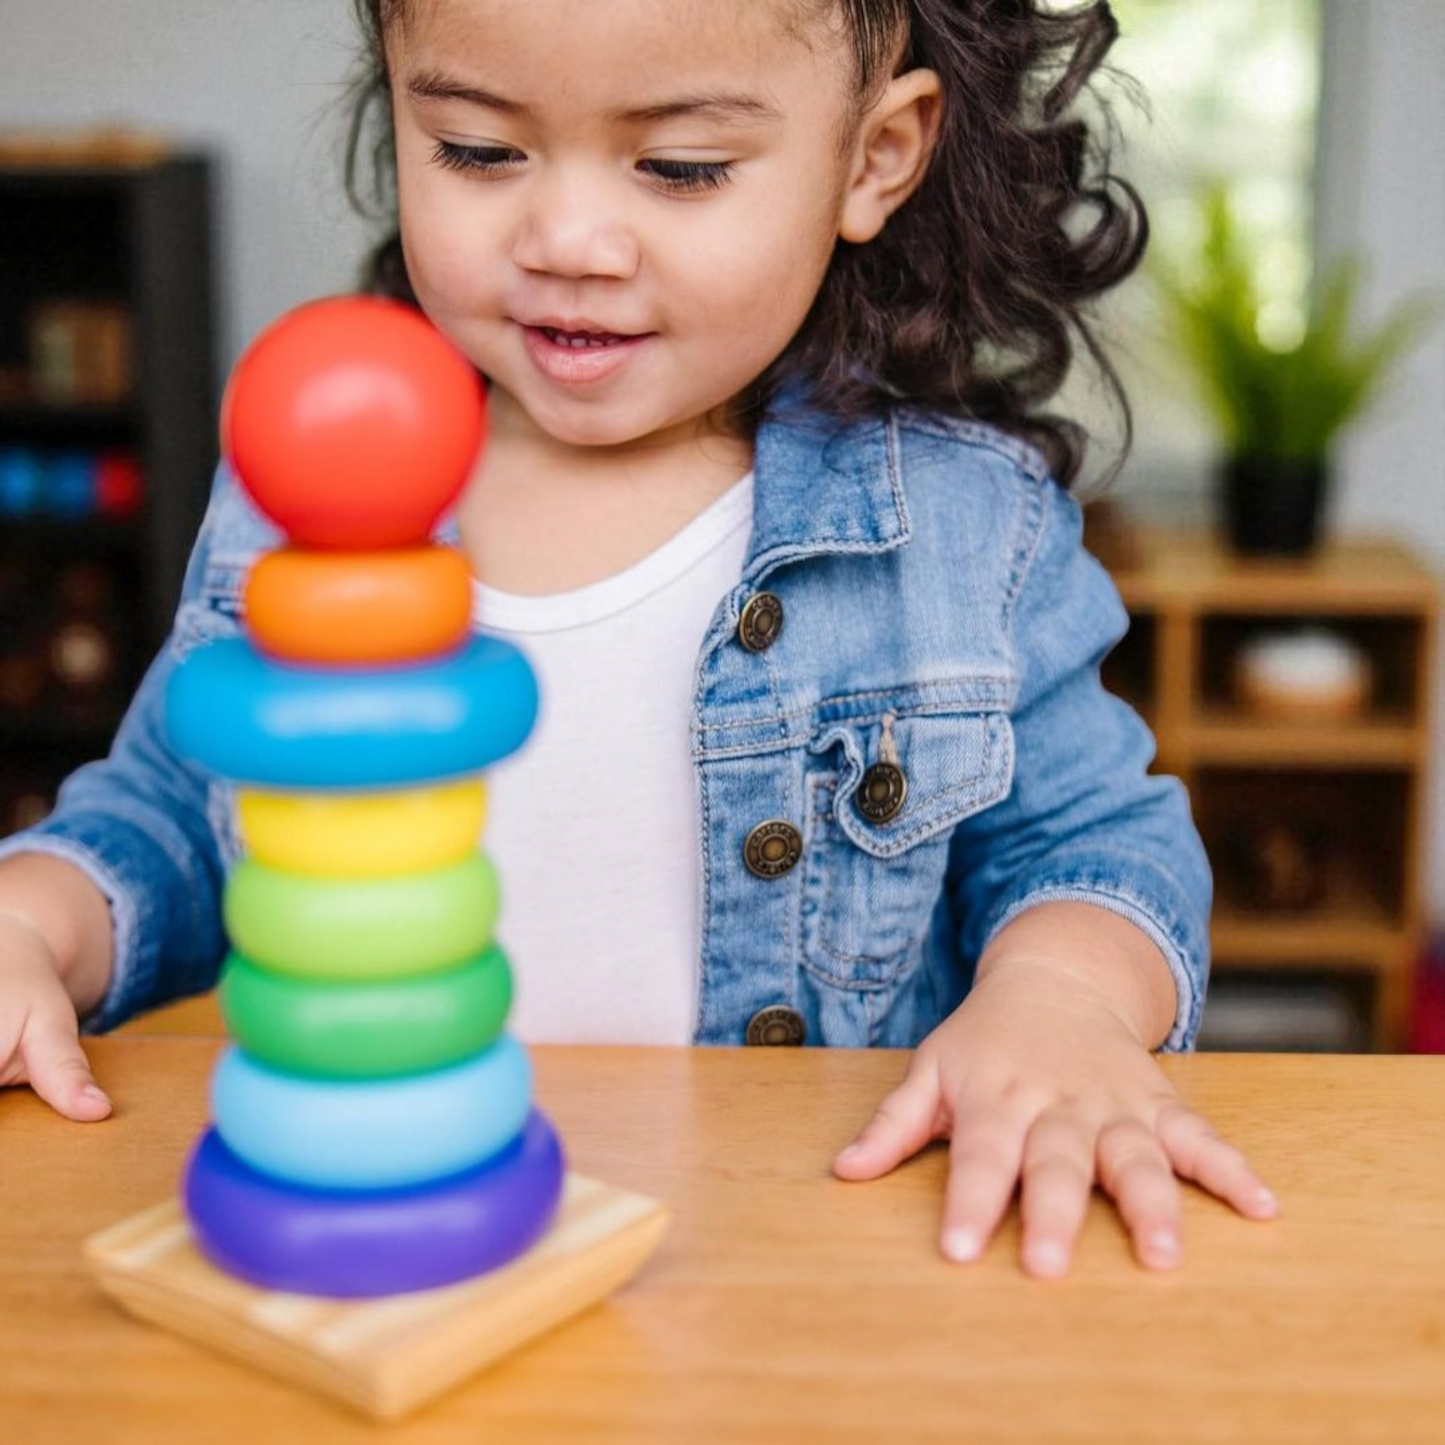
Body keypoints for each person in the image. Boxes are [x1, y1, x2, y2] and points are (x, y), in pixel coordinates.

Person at [0, 0, 1277, 1278]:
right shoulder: (304, 492)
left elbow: (1093, 845)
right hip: (396, 1253)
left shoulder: (958, 526)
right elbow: (172, 813)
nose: (565, 240)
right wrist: (35, 922)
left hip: (796, 1262)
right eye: (477, 150)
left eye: (678, 167)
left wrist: (1058, 1001)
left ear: (872, 157)